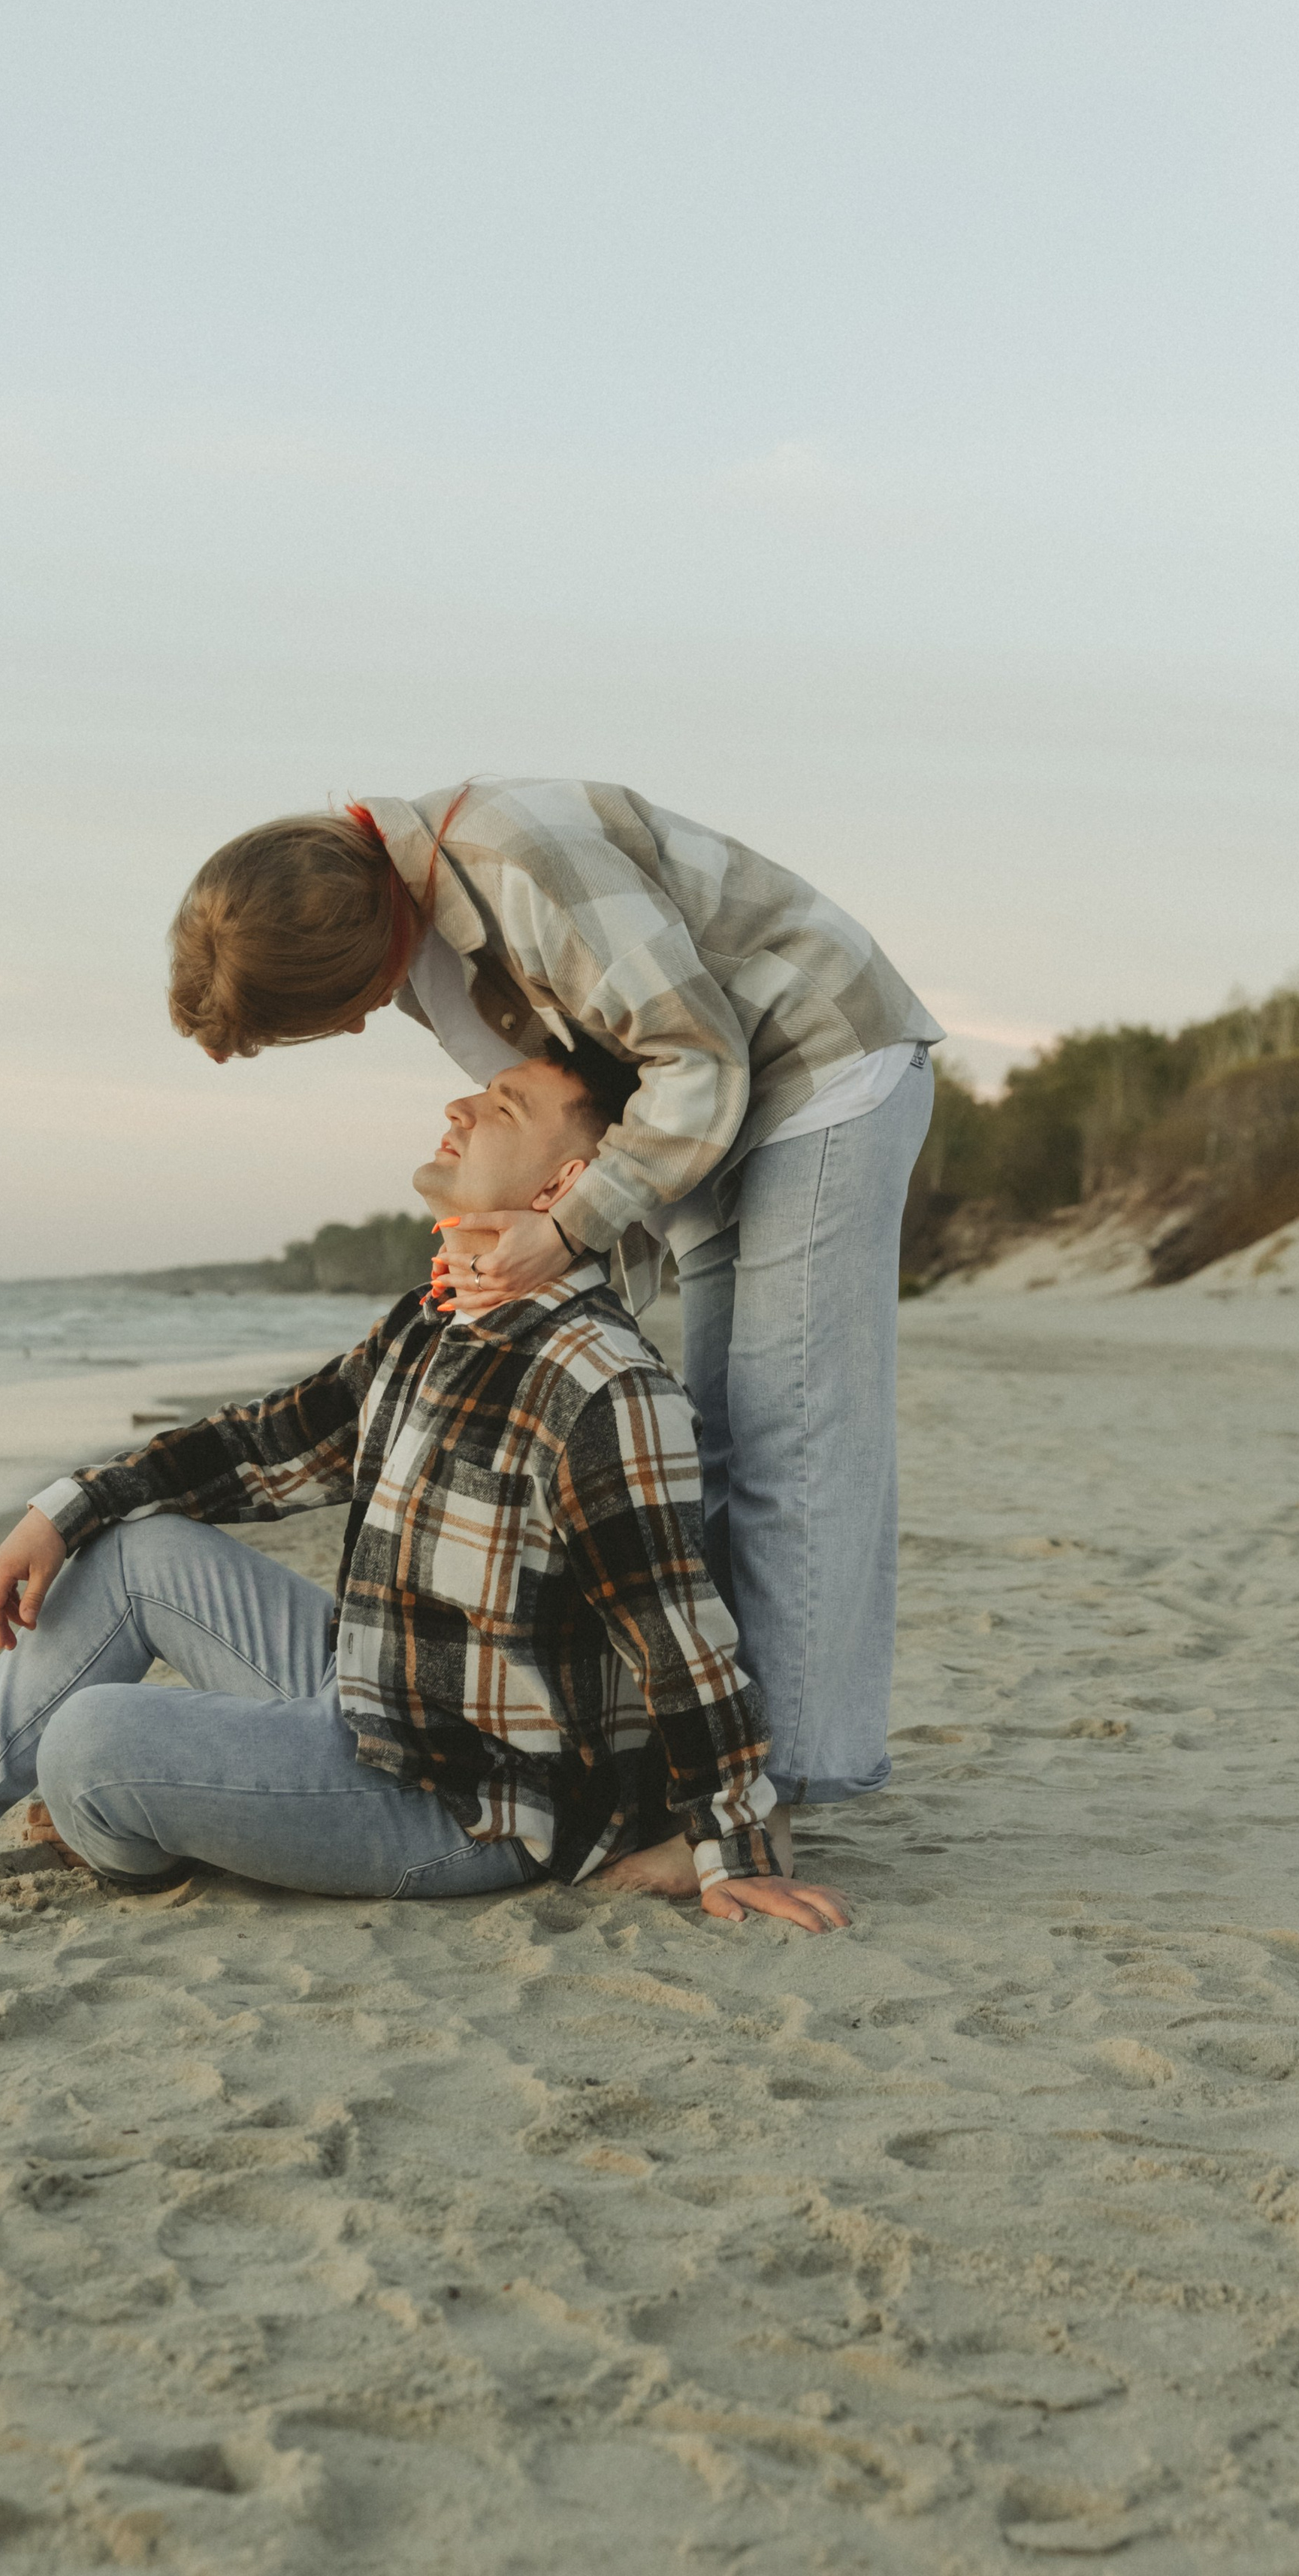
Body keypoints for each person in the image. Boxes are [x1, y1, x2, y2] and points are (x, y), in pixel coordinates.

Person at [0, 1040, 850, 1936]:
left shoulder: (601, 1385)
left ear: (569, 1186)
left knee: (92, 1746)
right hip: (372, 1690)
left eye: (502, 1107)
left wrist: (734, 1844)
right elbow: (265, 1443)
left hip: (465, 1802)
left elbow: (681, 1641)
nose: (459, 1111)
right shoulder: (435, 1323)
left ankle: (141, 1831)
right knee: (129, 1552)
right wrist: (60, 1506)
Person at [166, 776, 938, 1879]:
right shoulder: (419, 946)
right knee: (712, 1446)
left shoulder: (524, 863)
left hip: (814, 1072)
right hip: (706, 1117)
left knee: (791, 1444)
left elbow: (697, 1060)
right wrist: (512, 1268)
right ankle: (709, 1785)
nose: (349, 1025)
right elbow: (573, 1125)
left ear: (369, 939)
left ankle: (765, 1816)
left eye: (335, 1009)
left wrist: (569, 1228)